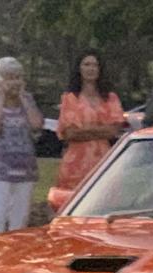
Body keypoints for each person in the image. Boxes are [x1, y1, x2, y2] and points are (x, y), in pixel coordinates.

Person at [0, 57, 44, 236]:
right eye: (9, 77)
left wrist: (23, 98)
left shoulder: (28, 100)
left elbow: (37, 124)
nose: (14, 82)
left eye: (17, 77)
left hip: (24, 169)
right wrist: (2, 96)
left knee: (20, 219)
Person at [55, 50, 125, 192]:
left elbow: (113, 131)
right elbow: (70, 133)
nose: (91, 68)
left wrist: (85, 130)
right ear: (79, 68)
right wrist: (101, 130)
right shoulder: (70, 98)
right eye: (86, 64)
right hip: (75, 164)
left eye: (95, 65)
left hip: (104, 161)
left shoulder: (110, 98)